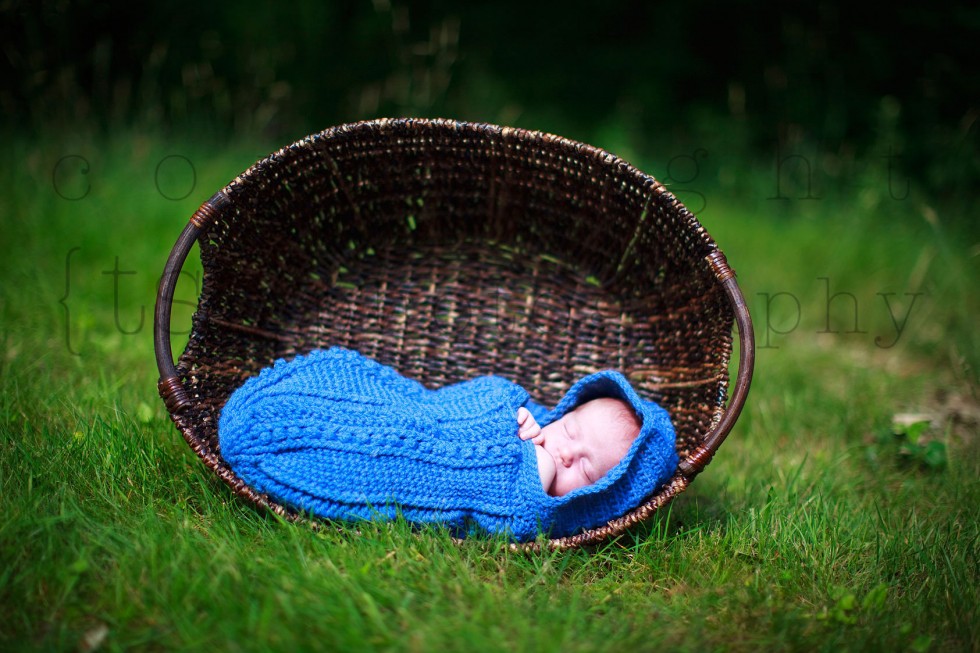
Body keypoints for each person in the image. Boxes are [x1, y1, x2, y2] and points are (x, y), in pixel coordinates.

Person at [516, 399, 640, 497]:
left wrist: (537, 480)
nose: (566, 453)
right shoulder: (532, 419)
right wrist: (517, 421)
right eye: (568, 431)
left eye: (585, 471)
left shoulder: (552, 522)